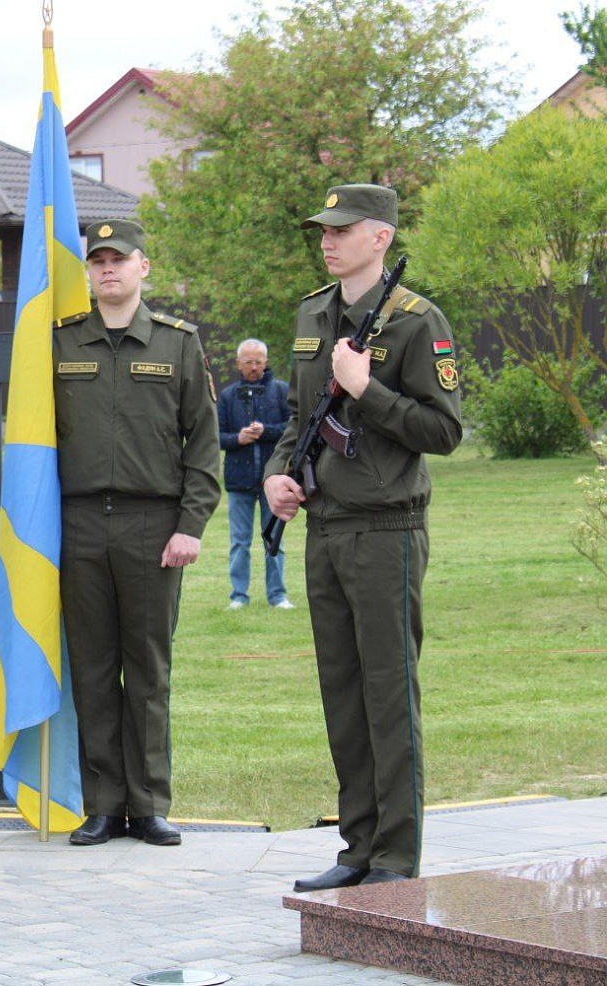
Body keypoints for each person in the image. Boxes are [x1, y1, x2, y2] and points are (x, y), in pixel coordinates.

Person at [263, 184, 462, 891]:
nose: (328, 240)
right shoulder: (313, 313)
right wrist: (279, 474)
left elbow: (444, 430)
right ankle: (357, 848)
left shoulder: (416, 321)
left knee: (387, 693)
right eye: (324, 229)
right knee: (342, 694)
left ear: (380, 237)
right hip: (325, 527)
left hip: (386, 530)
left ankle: (395, 858)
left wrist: (366, 388)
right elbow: (300, 416)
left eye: (342, 230)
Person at [54, 218, 221, 848]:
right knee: (92, 669)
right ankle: (103, 803)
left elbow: (202, 442)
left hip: (153, 526)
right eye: (98, 261)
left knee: (147, 670)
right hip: (78, 523)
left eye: (119, 259)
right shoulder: (60, 342)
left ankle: (149, 802)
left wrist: (191, 525)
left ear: (143, 268)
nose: (107, 269)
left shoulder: (178, 343)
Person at [217, 340, 293, 610]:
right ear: (238, 363)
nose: (253, 367)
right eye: (248, 362)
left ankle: (278, 596)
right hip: (239, 480)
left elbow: (294, 428)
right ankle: (238, 596)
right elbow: (216, 436)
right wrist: (237, 438)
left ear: (266, 362)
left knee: (274, 540)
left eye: (258, 362)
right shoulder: (227, 396)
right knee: (239, 542)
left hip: (273, 479)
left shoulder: (282, 391)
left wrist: (267, 431)